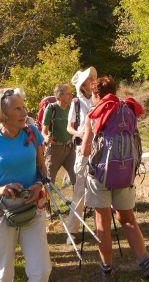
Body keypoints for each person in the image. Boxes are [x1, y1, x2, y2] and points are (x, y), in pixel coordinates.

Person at [82, 77, 149, 281]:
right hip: (125, 172)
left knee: (102, 223)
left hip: (99, 175)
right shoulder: (128, 109)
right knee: (128, 219)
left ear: (96, 95)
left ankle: (106, 270)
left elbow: (85, 150)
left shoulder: (94, 113)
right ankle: (145, 263)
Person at [0, 88, 52, 282]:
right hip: (0, 212)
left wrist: (39, 184)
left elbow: (42, 167)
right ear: (3, 114)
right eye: (17, 109)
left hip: (32, 208)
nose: (24, 113)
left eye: (24, 107)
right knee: (2, 273)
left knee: (41, 270)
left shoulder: (32, 133)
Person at [64, 67, 97, 242]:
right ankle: (72, 231)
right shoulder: (76, 103)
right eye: (88, 79)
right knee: (79, 190)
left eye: (92, 78)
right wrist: (80, 133)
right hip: (82, 150)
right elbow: (69, 127)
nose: (92, 81)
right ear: (83, 86)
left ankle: (101, 228)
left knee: (100, 187)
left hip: (99, 149)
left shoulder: (98, 99)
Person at [42, 84, 76, 187]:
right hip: (54, 150)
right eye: (68, 94)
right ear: (60, 96)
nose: (71, 96)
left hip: (69, 149)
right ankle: (45, 198)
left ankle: (77, 198)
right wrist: (46, 137)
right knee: (49, 183)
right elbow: (43, 131)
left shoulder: (71, 108)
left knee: (77, 178)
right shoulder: (51, 108)